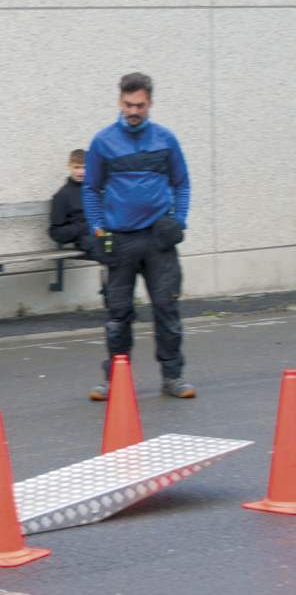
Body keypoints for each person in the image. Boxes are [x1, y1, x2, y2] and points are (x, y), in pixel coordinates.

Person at [83, 72, 193, 400]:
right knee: (118, 314)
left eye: (140, 105)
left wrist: (180, 221)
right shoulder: (103, 142)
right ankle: (116, 380)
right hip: (120, 240)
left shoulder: (166, 139)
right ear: (120, 102)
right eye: (129, 104)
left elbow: (182, 183)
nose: (134, 111)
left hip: (159, 239)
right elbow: (91, 189)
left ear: (150, 104)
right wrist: (99, 231)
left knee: (166, 307)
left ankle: (173, 378)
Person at [49, 148, 93, 253]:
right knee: (111, 250)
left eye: (85, 168)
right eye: (77, 167)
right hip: (86, 240)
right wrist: (84, 227)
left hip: (104, 235)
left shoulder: (96, 189)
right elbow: (56, 232)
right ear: (69, 166)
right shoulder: (62, 195)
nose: (81, 172)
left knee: (129, 246)